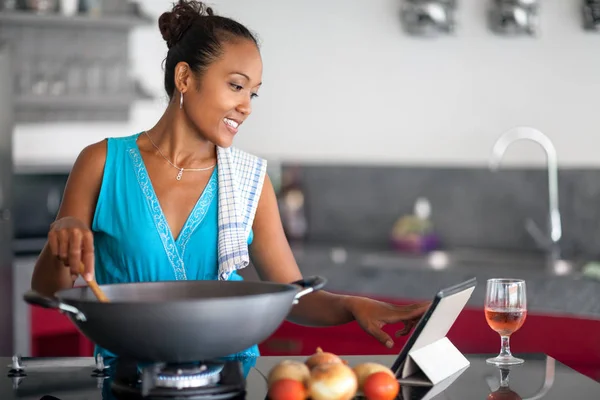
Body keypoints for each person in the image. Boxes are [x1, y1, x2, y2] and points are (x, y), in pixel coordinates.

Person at [31, 0, 430, 360]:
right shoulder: (101, 163)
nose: (245, 106)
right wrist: (61, 235)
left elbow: (292, 296)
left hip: (228, 377)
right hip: (127, 381)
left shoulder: (250, 182)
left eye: (252, 94)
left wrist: (353, 306)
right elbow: (50, 292)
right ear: (185, 79)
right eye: (236, 86)